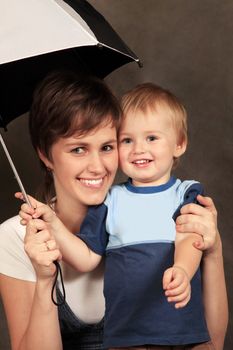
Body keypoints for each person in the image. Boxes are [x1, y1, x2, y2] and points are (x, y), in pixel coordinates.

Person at [17, 78, 228, 350]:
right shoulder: (110, 200)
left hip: (184, 335)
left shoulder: (186, 193)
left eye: (151, 138)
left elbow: (190, 238)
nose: (139, 149)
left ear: (179, 144)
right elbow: (86, 257)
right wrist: (52, 223)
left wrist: (182, 270)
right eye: (126, 140)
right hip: (126, 337)